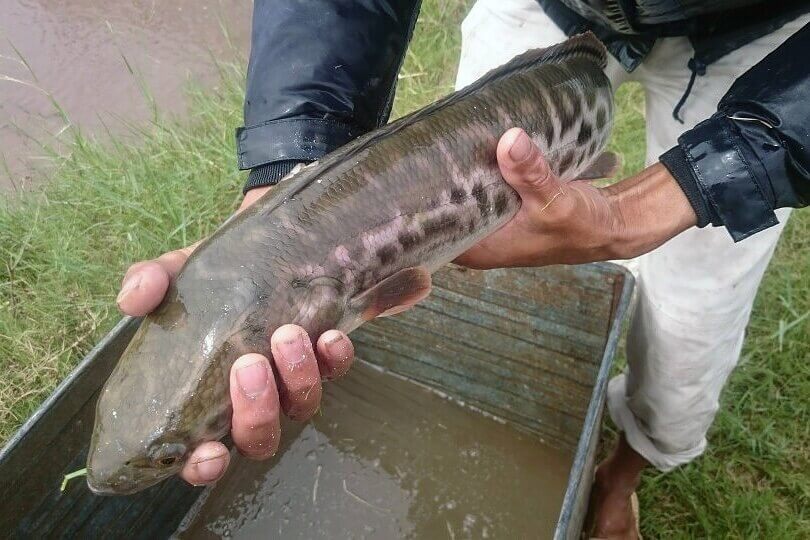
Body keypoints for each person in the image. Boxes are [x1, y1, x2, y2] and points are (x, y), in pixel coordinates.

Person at [115, 1, 809, 537]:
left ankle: (625, 471)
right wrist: (290, 165)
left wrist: (686, 188)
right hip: (559, 11)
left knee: (694, 316)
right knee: (472, 269)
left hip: (764, 38)